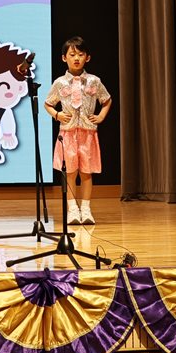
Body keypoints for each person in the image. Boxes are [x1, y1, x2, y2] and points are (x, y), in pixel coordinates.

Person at [43, 36, 113, 225]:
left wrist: (100, 116)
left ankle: (86, 209)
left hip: (87, 133)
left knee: (86, 172)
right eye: (72, 54)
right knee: (70, 172)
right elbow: (48, 103)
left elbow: (106, 100)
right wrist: (57, 115)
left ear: (87, 58)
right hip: (67, 133)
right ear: (63, 58)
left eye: (80, 55)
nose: (76, 58)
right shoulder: (60, 83)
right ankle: (72, 209)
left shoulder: (94, 81)